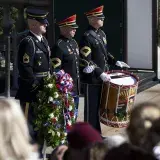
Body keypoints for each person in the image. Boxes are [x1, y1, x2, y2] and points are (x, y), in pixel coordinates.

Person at [79, 5, 130, 133]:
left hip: (103, 76)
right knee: (91, 109)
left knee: (99, 108)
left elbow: (105, 53)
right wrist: (99, 72)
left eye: (102, 17)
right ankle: (90, 135)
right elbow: (86, 60)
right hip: (92, 78)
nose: (103, 19)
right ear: (91, 19)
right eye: (100, 17)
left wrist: (115, 61)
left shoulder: (101, 33)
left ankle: (96, 134)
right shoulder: (87, 36)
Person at [15, 7, 51, 153]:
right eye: (43, 23)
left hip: (43, 91)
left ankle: (39, 153)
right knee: (29, 127)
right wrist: (36, 86)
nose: (46, 24)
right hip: (31, 93)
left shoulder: (43, 41)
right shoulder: (28, 42)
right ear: (33, 24)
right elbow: (25, 68)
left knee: (41, 125)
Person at [51, 14, 80, 119]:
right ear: (63, 28)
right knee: (66, 119)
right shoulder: (59, 46)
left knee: (74, 117)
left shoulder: (74, 43)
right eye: (72, 27)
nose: (75, 30)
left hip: (75, 89)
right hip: (66, 91)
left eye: (75, 28)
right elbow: (56, 70)